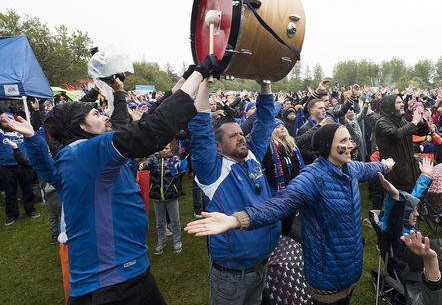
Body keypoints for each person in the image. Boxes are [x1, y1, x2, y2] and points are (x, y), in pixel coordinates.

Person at [2, 66, 206, 304]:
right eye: (96, 115)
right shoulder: (86, 152)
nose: (105, 117)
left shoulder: (76, 159)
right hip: (111, 285)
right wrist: (199, 75)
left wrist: (184, 80)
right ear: (81, 126)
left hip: (129, 272)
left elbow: (149, 117)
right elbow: (150, 131)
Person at [186, 123, 395, 305]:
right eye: (344, 140)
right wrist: (236, 219)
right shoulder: (313, 177)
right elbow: (279, 204)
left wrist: (385, 165)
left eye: (350, 139)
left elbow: (368, 168)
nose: (351, 145)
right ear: (326, 146)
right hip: (326, 275)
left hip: (350, 268)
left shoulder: (350, 168)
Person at [188, 78, 278, 305]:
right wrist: (205, 85)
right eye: (233, 135)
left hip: (262, 265)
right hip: (232, 275)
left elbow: (266, 121)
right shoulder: (212, 172)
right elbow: (199, 129)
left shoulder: (252, 155)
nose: (241, 137)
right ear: (218, 145)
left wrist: (265, 85)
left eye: (241, 133)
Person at [374, 94, 426, 192]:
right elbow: (396, 134)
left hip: (409, 168)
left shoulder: (402, 120)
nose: (402, 104)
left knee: (410, 199)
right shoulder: (381, 123)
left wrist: (421, 120)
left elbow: (422, 132)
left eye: (402, 102)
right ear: (389, 105)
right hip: (395, 171)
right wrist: (414, 122)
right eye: (398, 102)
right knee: (398, 201)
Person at [140, 142, 183, 255]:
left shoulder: (175, 159)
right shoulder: (154, 158)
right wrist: (143, 164)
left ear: (170, 149)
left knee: (175, 222)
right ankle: (161, 243)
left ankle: (177, 242)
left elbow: (179, 172)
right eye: (161, 148)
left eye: (166, 148)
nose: (163, 150)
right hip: (157, 196)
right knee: (159, 223)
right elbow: (147, 163)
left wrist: (179, 168)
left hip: (171, 195)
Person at [0, 115, 39, 225]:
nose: (7, 123)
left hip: (24, 165)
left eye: (9, 120)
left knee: (28, 189)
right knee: (10, 192)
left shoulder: (20, 131)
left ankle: (30, 210)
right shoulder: (1, 133)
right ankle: (12, 215)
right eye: (3, 121)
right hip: (6, 167)